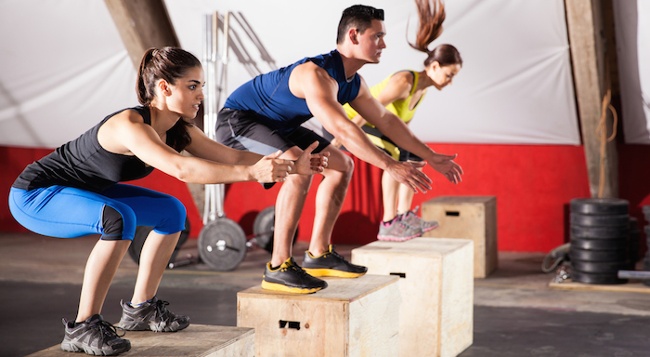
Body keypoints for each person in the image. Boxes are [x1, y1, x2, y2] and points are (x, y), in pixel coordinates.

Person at [8, 47, 327, 356]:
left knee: (171, 212)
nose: (200, 95)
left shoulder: (178, 128)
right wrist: (253, 173)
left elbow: (230, 155)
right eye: (192, 86)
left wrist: (287, 162)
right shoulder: (130, 125)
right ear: (163, 87)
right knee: (118, 218)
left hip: (91, 191)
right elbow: (181, 168)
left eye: (201, 86)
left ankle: (140, 310)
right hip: (37, 194)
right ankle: (82, 326)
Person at [215, 4, 463, 295]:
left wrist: (431, 156)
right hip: (239, 120)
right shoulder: (317, 75)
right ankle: (278, 267)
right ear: (354, 35)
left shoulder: (353, 83)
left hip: (278, 127)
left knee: (341, 165)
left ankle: (318, 253)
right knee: (299, 167)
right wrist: (390, 165)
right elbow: (343, 129)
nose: (384, 44)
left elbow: (385, 119)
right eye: (378, 37)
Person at [339, 0, 462, 242]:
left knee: (415, 156)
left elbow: (400, 128)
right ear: (434, 66)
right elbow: (370, 111)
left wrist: (422, 152)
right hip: (351, 117)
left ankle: (403, 216)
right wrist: (342, 135)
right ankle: (388, 222)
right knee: (396, 154)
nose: (450, 82)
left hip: (372, 124)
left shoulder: (422, 90)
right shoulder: (405, 81)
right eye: (449, 75)